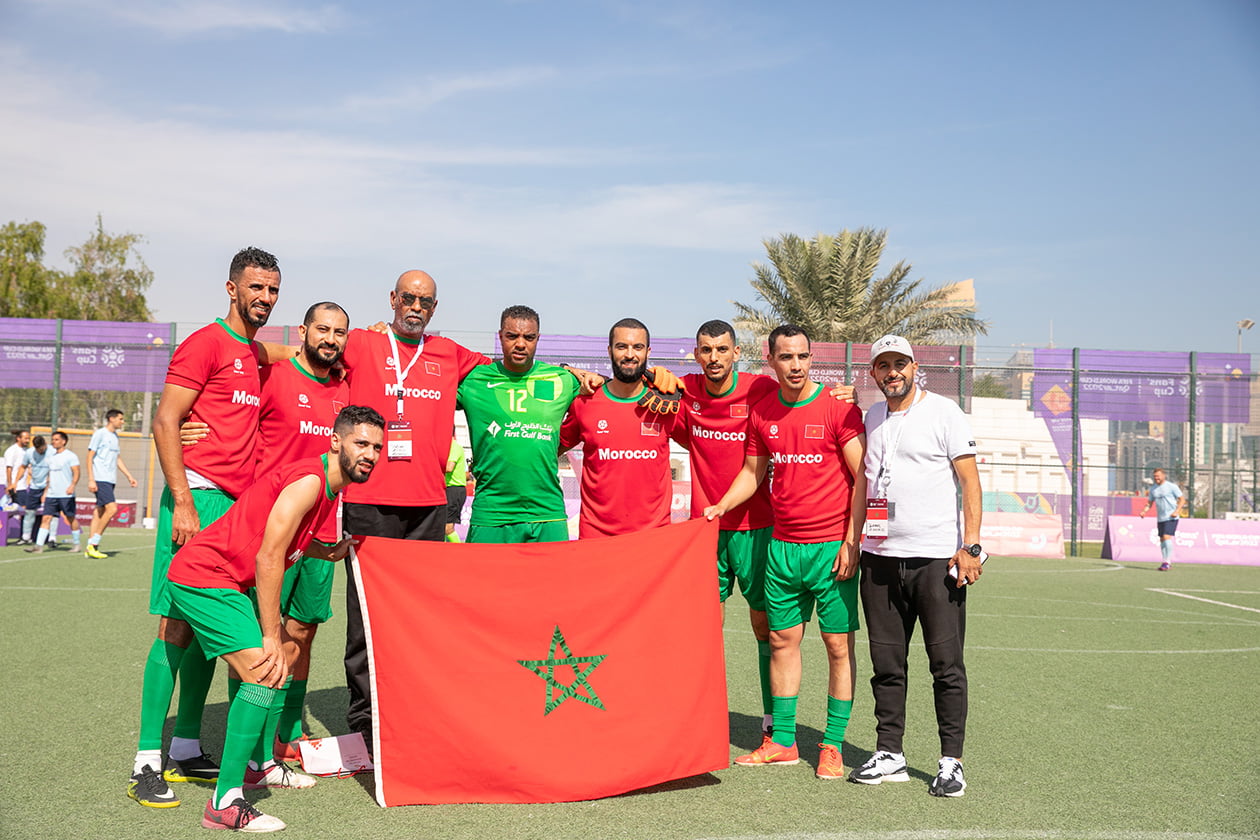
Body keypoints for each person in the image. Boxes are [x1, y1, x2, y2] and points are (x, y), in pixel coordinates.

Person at [166, 405, 384, 833]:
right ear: (336, 441)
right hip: (204, 577)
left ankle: (255, 767)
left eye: (377, 446)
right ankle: (225, 803)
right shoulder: (310, 481)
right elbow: (269, 556)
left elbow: (285, 541)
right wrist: (271, 632)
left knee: (274, 665)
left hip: (224, 580)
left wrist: (326, 550)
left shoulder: (331, 488)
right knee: (267, 668)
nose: (370, 454)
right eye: (361, 443)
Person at [127, 246, 280, 809]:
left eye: (272, 291)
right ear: (231, 288)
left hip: (233, 512)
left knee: (208, 637)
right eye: (255, 288)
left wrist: (339, 341)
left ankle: (187, 746)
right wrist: (184, 501)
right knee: (172, 629)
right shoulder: (205, 342)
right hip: (196, 500)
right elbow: (167, 420)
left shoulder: (254, 351)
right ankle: (147, 758)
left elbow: (288, 349)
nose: (263, 298)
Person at [704, 324, 866, 781]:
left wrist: (852, 539)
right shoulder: (762, 412)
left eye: (802, 357)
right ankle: (784, 742)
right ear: (770, 360)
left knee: (838, 647)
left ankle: (832, 745)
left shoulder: (838, 409)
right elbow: (753, 473)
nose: (795, 366)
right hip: (782, 548)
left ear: (811, 358)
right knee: (781, 643)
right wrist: (721, 505)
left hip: (831, 550)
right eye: (786, 358)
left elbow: (862, 479)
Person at [849, 334, 983, 798]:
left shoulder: (945, 412)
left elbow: (970, 483)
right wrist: (853, 540)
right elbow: (865, 486)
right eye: (883, 365)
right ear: (873, 373)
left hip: (935, 562)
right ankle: (890, 754)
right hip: (880, 560)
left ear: (914, 365)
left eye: (899, 363)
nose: (892, 372)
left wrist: (972, 546)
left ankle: (951, 762)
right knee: (887, 665)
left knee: (946, 665)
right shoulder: (873, 416)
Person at [455, 305, 582, 545]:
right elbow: (428, 396)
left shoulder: (562, 380)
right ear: (500, 335)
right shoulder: (474, 381)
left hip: (548, 513)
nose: (520, 344)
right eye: (512, 336)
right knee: (483, 583)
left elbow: (608, 395)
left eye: (529, 337)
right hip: (491, 514)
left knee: (553, 583)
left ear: (538, 338)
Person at [559, 318, 687, 539]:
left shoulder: (666, 404)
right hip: (596, 537)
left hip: (652, 538)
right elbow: (547, 450)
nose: (630, 354)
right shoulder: (584, 403)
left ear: (648, 352)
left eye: (637, 347)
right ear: (609, 351)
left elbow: (708, 447)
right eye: (622, 346)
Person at [85, 409, 138, 558]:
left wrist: (129, 476)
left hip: (110, 479)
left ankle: (90, 546)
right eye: (120, 419)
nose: (122, 422)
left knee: (99, 511)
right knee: (112, 508)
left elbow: (117, 458)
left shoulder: (115, 437)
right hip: (100, 478)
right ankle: (94, 543)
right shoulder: (100, 434)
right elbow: (89, 457)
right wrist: (91, 479)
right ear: (111, 419)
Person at [24, 431, 82, 553]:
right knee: (46, 518)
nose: (53, 442)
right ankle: (38, 546)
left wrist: (72, 485)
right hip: (52, 494)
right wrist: (46, 492)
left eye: (56, 439)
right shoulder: (51, 458)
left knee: (70, 518)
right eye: (53, 439)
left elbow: (77, 472)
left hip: (66, 494)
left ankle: (77, 544)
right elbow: (50, 476)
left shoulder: (71, 456)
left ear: (63, 441)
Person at [1140, 468, 1186, 571]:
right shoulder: (1153, 489)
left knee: (1166, 537)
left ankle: (1167, 562)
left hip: (1171, 517)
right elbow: (1150, 503)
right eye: (1155, 476)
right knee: (1162, 539)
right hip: (1161, 518)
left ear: (1164, 476)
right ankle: (1165, 560)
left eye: (1158, 476)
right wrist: (1144, 511)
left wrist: (1177, 511)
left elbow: (1182, 500)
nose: (1156, 478)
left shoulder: (1171, 486)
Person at [15, 435, 50, 546]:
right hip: (34, 487)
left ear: (45, 444)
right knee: (29, 512)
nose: (40, 451)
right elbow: (23, 467)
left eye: (41, 449)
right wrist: (15, 482)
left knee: (49, 514)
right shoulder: (29, 453)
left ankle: (51, 538)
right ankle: (26, 537)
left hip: (49, 487)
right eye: (37, 449)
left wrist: (46, 490)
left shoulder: (52, 452)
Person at [4, 429, 32, 543]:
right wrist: (10, 485)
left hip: (22, 485)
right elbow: (9, 468)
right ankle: (24, 537)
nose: (27, 440)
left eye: (28, 438)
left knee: (17, 511)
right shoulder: (12, 451)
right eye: (25, 438)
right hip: (17, 487)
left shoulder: (26, 451)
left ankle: (24, 536)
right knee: (20, 511)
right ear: (18, 438)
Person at [443, 435, 468, 543]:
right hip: (448, 489)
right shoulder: (448, 447)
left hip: (454, 489)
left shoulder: (454, 447)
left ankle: (460, 552)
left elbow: (449, 467)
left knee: (447, 528)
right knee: (441, 527)